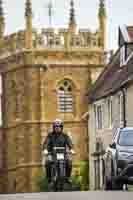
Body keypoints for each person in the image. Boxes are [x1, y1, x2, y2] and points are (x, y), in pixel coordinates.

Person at [42, 119, 75, 183]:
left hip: (63, 154)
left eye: (59, 127)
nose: (57, 128)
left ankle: (68, 177)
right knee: (47, 163)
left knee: (69, 162)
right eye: (56, 127)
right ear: (53, 127)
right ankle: (48, 178)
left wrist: (71, 149)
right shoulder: (50, 135)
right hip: (52, 154)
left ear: (61, 127)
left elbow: (69, 142)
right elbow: (46, 142)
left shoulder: (65, 135)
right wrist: (45, 149)